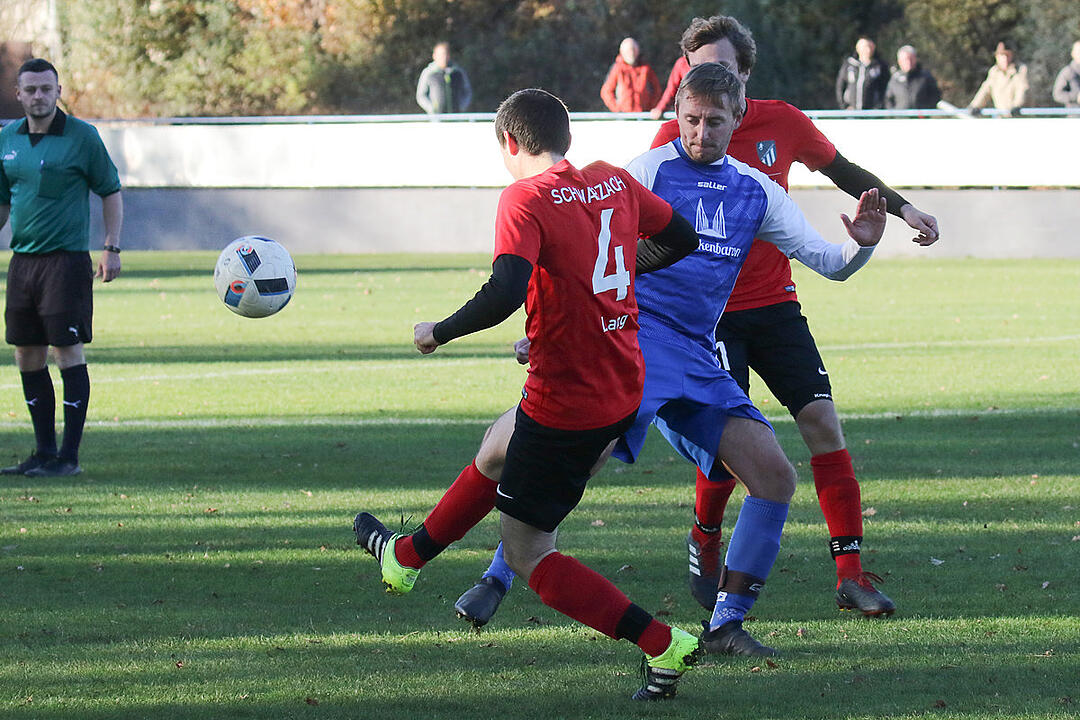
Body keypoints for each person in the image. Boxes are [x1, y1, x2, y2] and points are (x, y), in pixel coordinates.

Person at [457, 15, 939, 633]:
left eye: (715, 122)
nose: (702, 133)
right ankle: (499, 574)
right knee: (584, 455)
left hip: (697, 354)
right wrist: (555, 329)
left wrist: (866, 241)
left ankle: (727, 625)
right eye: (691, 120)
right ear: (678, 114)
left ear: (738, 119)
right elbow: (590, 258)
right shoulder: (648, 171)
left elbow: (829, 263)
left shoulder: (756, 191)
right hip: (631, 345)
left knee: (773, 474)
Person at [353, 87, 704, 701]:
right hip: (619, 384)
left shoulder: (525, 197)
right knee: (494, 450)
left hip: (567, 402)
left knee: (528, 554)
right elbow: (681, 238)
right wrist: (604, 279)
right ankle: (405, 559)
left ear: (510, 143)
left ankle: (663, 645)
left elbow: (506, 290)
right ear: (564, 138)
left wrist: (438, 332)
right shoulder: (611, 182)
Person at [0, 58, 122, 478]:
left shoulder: (82, 137)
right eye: (30, 89)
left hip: (66, 263)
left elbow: (110, 191)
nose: (38, 96)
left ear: (58, 91)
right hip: (23, 263)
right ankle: (43, 453)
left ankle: (68, 458)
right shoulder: (7, 140)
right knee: (26, 354)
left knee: (67, 351)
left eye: (45, 89)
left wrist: (111, 247)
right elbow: (2, 202)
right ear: (18, 94)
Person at [600, 37, 662, 113]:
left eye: (633, 50)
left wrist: (650, 107)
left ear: (638, 51)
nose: (631, 53)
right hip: (624, 116)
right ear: (622, 52)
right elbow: (606, 92)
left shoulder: (646, 68)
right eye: (628, 51)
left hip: (643, 115)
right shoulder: (617, 69)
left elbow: (657, 90)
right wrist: (616, 109)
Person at [967, 42, 1028, 117]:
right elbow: (985, 90)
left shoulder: (1020, 70)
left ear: (1012, 56)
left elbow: (1021, 89)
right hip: (1000, 116)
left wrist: (1017, 106)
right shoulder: (994, 72)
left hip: (1018, 117)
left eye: (1007, 55)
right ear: (997, 57)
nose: (1005, 59)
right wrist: (975, 106)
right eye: (1002, 55)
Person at [415, 41, 472, 114]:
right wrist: (432, 108)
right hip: (437, 120)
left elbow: (467, 92)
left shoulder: (458, 72)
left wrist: (461, 106)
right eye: (440, 54)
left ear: (449, 55)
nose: (443, 57)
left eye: (445, 54)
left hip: (456, 118)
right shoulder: (428, 73)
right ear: (434, 56)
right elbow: (421, 95)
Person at [836, 37, 889, 110]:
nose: (868, 50)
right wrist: (844, 106)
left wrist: (878, 106)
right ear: (858, 49)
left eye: (870, 47)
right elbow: (840, 86)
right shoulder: (849, 65)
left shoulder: (880, 66)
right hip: (851, 112)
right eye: (864, 47)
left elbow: (884, 88)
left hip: (872, 113)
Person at [885, 45, 941, 110]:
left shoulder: (926, 77)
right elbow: (888, 100)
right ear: (899, 61)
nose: (908, 62)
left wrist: (924, 112)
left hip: (920, 118)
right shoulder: (895, 78)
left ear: (915, 59)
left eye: (911, 59)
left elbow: (935, 97)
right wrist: (894, 115)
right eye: (905, 59)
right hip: (900, 119)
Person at [1051, 40, 1080, 109]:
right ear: (1073, 54)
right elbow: (1057, 94)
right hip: (1075, 116)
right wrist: (1076, 97)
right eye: (1079, 52)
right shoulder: (1068, 72)